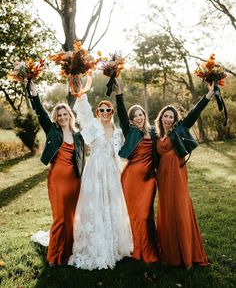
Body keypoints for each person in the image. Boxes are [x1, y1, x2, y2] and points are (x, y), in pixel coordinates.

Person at [68, 77, 133, 270]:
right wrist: (80, 93)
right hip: (94, 170)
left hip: (111, 171)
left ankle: (113, 243)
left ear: (112, 112)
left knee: (111, 204)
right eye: (102, 110)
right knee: (95, 204)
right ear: (98, 112)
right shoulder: (92, 126)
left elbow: (121, 153)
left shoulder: (117, 131)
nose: (105, 113)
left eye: (108, 110)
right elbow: (83, 110)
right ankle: (94, 245)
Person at [154, 83, 215, 269]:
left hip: (178, 177)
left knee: (180, 212)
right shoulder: (157, 135)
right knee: (167, 212)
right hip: (162, 179)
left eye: (171, 117)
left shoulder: (179, 129)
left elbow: (194, 114)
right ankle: (171, 254)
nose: (168, 119)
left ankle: (187, 256)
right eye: (165, 116)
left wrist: (209, 94)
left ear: (174, 119)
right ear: (161, 118)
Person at [29, 81, 85, 266]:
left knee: (70, 218)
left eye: (65, 114)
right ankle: (53, 257)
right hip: (57, 180)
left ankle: (67, 252)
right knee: (60, 218)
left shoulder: (78, 136)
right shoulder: (52, 131)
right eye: (59, 115)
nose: (62, 117)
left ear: (70, 116)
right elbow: (41, 113)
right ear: (56, 117)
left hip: (74, 181)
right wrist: (34, 94)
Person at [114, 78, 159, 263]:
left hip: (149, 179)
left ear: (144, 116)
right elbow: (122, 113)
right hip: (131, 178)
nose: (139, 118)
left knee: (146, 215)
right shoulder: (131, 131)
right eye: (135, 116)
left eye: (141, 114)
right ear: (132, 121)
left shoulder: (154, 132)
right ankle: (139, 249)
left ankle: (151, 247)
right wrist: (119, 93)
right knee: (136, 216)